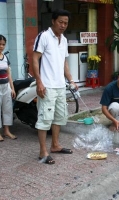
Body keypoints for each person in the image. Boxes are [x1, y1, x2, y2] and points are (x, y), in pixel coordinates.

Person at [32, 9, 78, 164]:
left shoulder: (63, 40)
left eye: (66, 22)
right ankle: (42, 152)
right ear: (53, 21)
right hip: (47, 86)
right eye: (60, 22)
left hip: (60, 86)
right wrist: (39, 82)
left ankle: (55, 145)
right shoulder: (44, 36)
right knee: (45, 119)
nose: (63, 25)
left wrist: (71, 80)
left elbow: (64, 62)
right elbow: (35, 59)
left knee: (59, 117)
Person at [0, 35, 17, 141]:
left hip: (6, 86)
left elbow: (9, 74)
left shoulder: (5, 57)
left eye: (3, 44)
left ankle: (6, 131)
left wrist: (12, 88)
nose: (1, 46)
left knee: (7, 108)